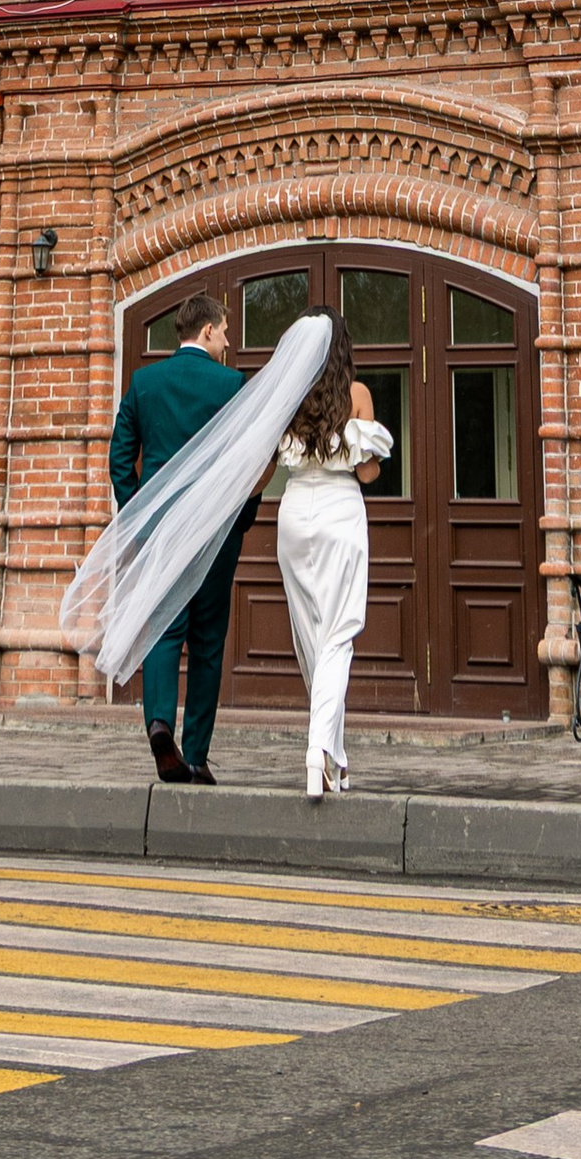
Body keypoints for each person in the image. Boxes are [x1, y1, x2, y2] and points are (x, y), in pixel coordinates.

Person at [104, 290, 248, 783]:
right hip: (213, 530)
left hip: (161, 528)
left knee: (164, 626)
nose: (228, 342)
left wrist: (138, 512)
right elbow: (247, 465)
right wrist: (240, 518)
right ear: (207, 330)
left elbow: (120, 457)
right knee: (208, 642)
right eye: (225, 332)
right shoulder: (232, 385)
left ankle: (160, 722)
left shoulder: (145, 382)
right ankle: (199, 756)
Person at [271, 313, 391, 799]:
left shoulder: (289, 396)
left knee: (312, 639)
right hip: (340, 509)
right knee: (340, 633)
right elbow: (367, 476)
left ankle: (335, 760)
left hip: (295, 510)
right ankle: (318, 749)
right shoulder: (357, 396)